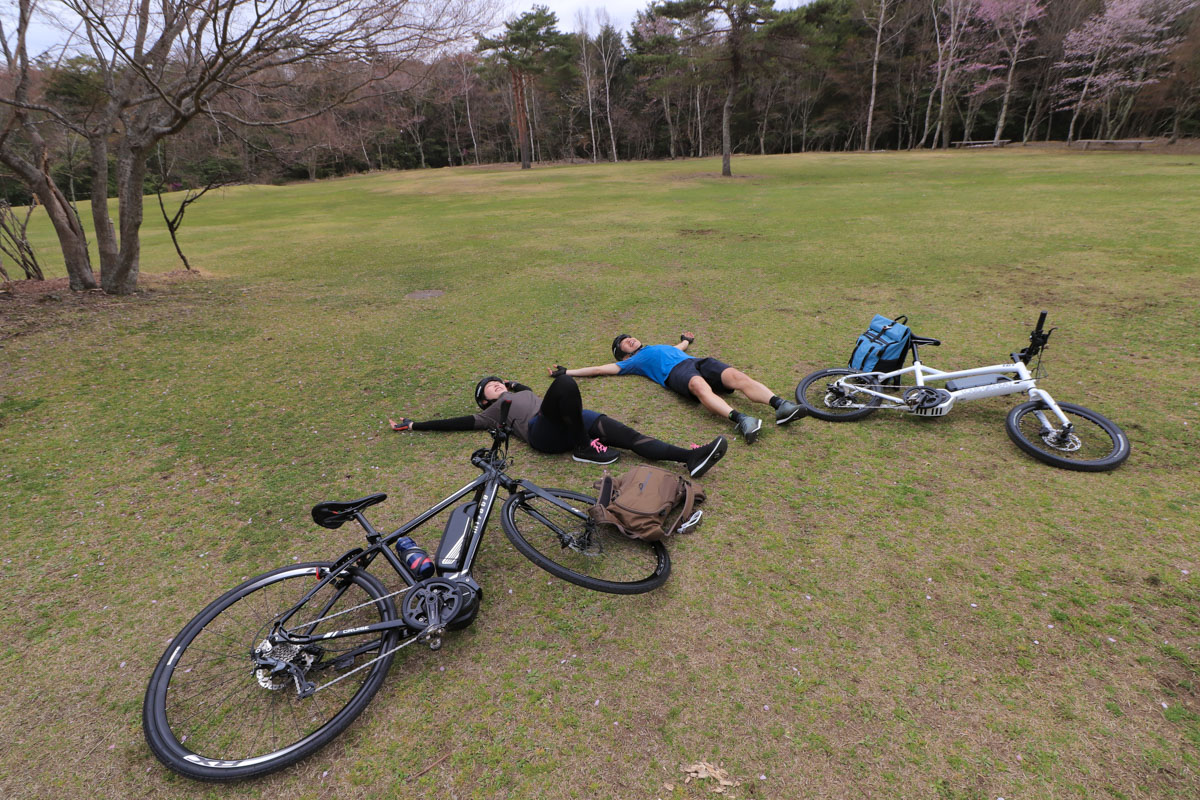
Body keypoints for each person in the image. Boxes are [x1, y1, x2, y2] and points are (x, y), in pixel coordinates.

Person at [389, 374, 728, 478]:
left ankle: (689, 457)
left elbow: (519, 386)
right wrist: (416, 424)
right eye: (487, 388)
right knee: (565, 386)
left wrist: (512, 383)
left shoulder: (520, 391)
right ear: (483, 401)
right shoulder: (493, 412)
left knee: (630, 437)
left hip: (572, 421)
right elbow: (458, 423)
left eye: (496, 381)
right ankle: (584, 448)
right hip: (545, 434)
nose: (494, 385)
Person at [549, 332, 805, 444]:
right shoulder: (633, 363)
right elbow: (599, 370)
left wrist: (685, 341)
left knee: (736, 376)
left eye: (628, 337)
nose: (628, 339)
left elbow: (677, 348)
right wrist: (567, 372)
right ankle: (741, 419)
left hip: (694, 361)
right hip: (677, 374)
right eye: (623, 343)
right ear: (623, 356)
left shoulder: (655, 348)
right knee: (699, 386)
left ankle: (780, 405)